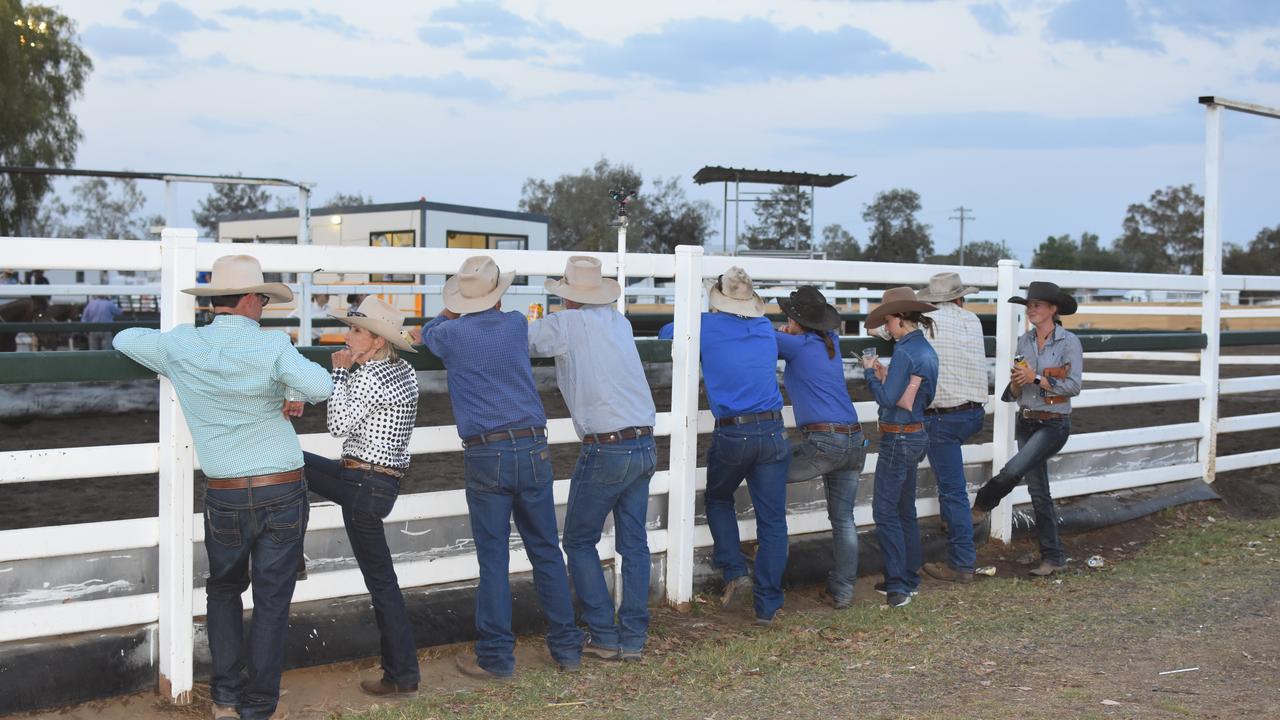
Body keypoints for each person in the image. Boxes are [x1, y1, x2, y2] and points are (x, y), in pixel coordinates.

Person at [113, 255, 332, 720]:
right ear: (251, 301)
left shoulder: (183, 345)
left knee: (224, 589)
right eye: (264, 301)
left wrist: (177, 346)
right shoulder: (272, 347)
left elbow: (124, 338)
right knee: (272, 599)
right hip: (281, 484)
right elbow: (320, 385)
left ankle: (226, 698)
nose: (265, 308)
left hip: (227, 489)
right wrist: (287, 389)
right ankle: (259, 706)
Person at [418, 255, 583, 679]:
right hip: (532, 446)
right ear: (497, 295)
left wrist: (452, 308)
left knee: (493, 558)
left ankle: (496, 655)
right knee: (546, 549)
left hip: (486, 451)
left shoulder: (450, 334)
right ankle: (566, 647)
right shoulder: (512, 324)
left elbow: (428, 332)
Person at [528, 256, 657, 662]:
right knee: (634, 542)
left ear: (568, 296)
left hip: (607, 445)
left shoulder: (565, 325)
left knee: (579, 540)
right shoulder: (620, 322)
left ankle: (603, 632)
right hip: (643, 439)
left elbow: (524, 342)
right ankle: (633, 635)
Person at [301, 296, 421, 698]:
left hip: (362, 484)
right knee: (289, 461)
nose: (347, 336)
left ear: (376, 341)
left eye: (355, 331)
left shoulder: (366, 376)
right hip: (374, 480)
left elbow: (337, 424)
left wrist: (338, 373)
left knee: (383, 584)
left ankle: (402, 674)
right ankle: (402, 673)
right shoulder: (403, 371)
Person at [972, 281, 1083, 577]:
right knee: (1038, 492)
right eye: (1029, 305)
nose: (1031, 310)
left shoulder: (1069, 342)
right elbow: (1016, 390)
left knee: (1013, 470)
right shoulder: (1025, 342)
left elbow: (1073, 387)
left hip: (1054, 424)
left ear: (1053, 310)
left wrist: (1034, 379)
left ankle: (982, 503)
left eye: (1037, 305)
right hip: (1028, 419)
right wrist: (1016, 385)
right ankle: (1053, 556)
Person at [700, 267, 790, 626]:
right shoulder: (765, 329)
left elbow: (666, 332)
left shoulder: (707, 327)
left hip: (735, 432)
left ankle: (735, 571)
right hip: (773, 429)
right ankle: (767, 605)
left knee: (718, 497)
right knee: (773, 521)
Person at [775, 286, 865, 610]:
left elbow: (754, 336)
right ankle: (841, 591)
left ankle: (768, 558)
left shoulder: (795, 345)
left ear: (795, 320)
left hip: (826, 440)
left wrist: (783, 332)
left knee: (768, 472)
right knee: (843, 520)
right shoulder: (831, 343)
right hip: (854, 438)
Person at [861, 287, 939, 608]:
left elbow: (886, 398)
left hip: (898, 435)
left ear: (900, 319)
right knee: (905, 509)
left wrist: (870, 372)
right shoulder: (924, 350)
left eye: (889, 320)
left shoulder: (906, 352)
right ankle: (909, 577)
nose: (887, 327)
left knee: (885, 510)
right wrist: (888, 376)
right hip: (917, 431)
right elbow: (917, 392)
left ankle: (898, 586)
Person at [915, 273, 989, 584]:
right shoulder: (973, 320)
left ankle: (961, 562)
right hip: (973, 413)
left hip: (944, 417)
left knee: (953, 489)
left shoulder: (925, 322)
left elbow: (879, 328)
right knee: (952, 484)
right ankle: (952, 525)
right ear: (960, 298)